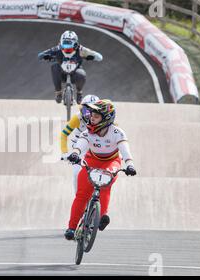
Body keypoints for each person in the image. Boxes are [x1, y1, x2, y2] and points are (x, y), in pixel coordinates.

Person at [62, 99, 136, 240]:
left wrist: (130, 164)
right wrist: (75, 154)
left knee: (105, 183)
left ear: (106, 118)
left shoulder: (117, 133)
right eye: (92, 115)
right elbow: (80, 146)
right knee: (82, 195)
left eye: (96, 116)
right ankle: (71, 228)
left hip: (111, 161)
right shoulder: (87, 132)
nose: (91, 118)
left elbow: (125, 151)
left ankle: (102, 216)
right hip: (91, 160)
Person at [38, 30, 103, 104]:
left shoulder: (81, 49)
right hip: (61, 73)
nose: (67, 47)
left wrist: (91, 56)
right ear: (61, 42)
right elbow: (41, 55)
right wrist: (45, 56)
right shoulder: (57, 48)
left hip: (75, 74)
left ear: (75, 43)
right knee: (55, 67)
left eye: (69, 44)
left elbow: (99, 57)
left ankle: (79, 93)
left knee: (81, 74)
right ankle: (58, 92)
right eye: (65, 44)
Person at [60, 94, 100, 193]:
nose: (89, 114)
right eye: (87, 110)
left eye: (93, 110)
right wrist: (65, 152)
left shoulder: (103, 118)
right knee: (76, 174)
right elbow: (64, 134)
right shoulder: (77, 118)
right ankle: (79, 196)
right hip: (79, 149)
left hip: (96, 147)